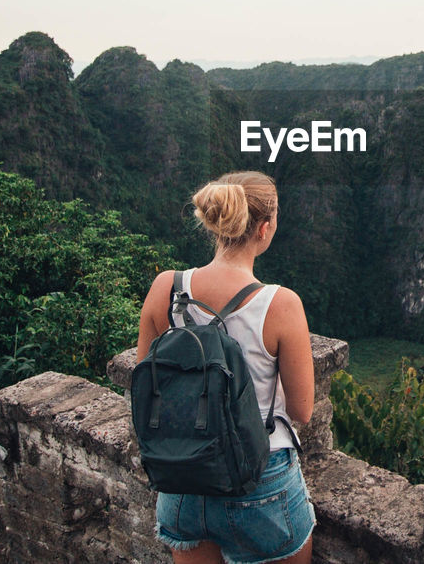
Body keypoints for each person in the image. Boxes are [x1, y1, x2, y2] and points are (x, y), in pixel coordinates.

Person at [137, 171, 316, 564]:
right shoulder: (281, 305)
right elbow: (302, 411)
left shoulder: (165, 288)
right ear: (265, 229)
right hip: (259, 480)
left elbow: (146, 385)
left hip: (183, 479)